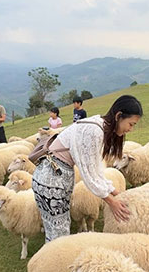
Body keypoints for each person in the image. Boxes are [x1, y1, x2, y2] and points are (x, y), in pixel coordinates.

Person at [31, 95, 140, 241]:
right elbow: (88, 175)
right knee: (58, 234)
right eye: (131, 124)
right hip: (52, 179)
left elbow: (96, 171)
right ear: (119, 116)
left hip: (53, 176)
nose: (130, 129)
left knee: (57, 229)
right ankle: (54, 262)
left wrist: (115, 192)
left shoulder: (99, 127)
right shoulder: (94, 131)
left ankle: (52, 260)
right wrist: (112, 202)